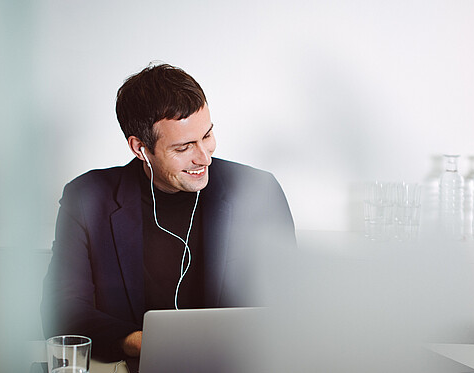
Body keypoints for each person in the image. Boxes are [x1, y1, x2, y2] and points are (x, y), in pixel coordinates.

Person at [41, 63, 296, 363]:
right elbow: (63, 313)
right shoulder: (88, 198)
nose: (204, 157)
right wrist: (145, 344)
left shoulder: (257, 191)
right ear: (140, 148)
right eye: (183, 147)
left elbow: (290, 306)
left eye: (207, 135)